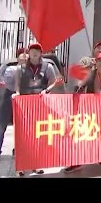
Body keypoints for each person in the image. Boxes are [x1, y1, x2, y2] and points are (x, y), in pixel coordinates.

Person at [14, 42, 62, 176]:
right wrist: (17, 93)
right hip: (24, 105)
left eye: (37, 50)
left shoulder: (48, 67)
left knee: (37, 135)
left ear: (41, 53)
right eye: (32, 50)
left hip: (40, 104)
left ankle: (36, 164)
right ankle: (21, 166)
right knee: (23, 136)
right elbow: (17, 84)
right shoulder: (21, 67)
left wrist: (47, 90)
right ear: (28, 53)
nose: (35, 52)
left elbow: (54, 81)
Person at [64, 52, 101, 173]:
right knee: (83, 135)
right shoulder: (90, 74)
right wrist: (80, 84)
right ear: (95, 63)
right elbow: (78, 86)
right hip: (90, 110)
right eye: (99, 61)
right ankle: (76, 161)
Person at [0, 48, 24, 164]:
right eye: (21, 56)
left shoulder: (28, 71)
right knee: (1, 127)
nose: (24, 58)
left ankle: (17, 151)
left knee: (20, 128)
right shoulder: (9, 69)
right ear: (17, 57)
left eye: (26, 56)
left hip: (22, 99)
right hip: (8, 97)